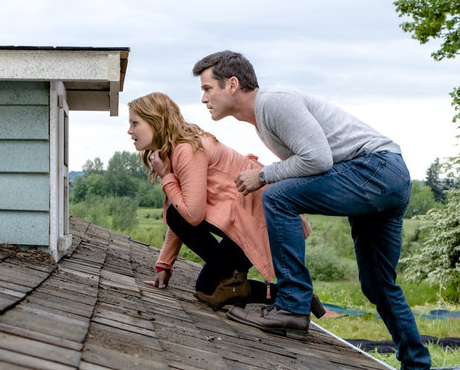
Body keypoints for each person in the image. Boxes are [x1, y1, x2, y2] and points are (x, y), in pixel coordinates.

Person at [191, 51, 431, 369]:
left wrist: (263, 175)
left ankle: (291, 305)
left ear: (232, 84)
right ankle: (417, 364)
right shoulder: (263, 118)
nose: (204, 98)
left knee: (275, 197)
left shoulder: (274, 103)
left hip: (375, 169)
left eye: (208, 88)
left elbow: (317, 160)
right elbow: (311, 164)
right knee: (378, 285)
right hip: (387, 178)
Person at [127, 92, 324, 317]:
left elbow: (190, 216)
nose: (129, 131)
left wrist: (166, 178)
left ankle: (249, 284)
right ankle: (298, 297)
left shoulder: (186, 149)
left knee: (175, 214)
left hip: (261, 222)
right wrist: (164, 265)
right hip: (241, 221)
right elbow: (183, 208)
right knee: (207, 289)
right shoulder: (175, 151)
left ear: (156, 120)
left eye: (135, 123)